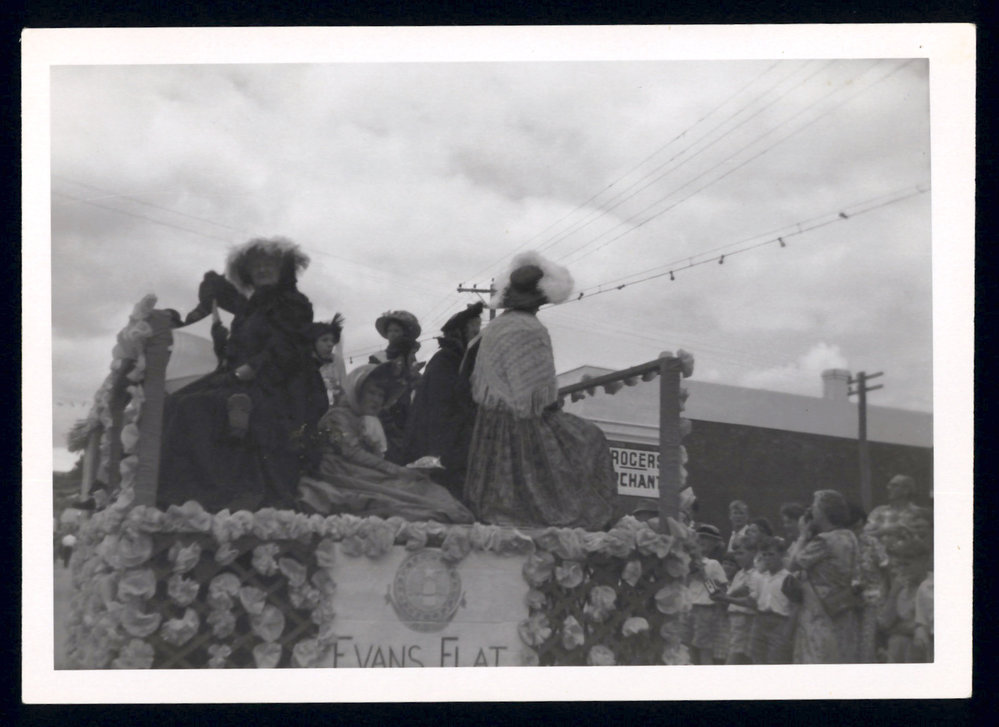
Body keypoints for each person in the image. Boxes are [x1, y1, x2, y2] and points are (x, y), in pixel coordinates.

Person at [157, 237, 325, 512]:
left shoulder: (294, 303)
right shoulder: (249, 308)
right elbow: (238, 352)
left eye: (269, 264)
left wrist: (250, 369)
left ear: (283, 268)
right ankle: (178, 495)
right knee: (176, 401)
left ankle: (213, 494)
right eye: (256, 265)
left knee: (194, 408)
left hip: (280, 389)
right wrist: (223, 345)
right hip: (244, 381)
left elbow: (287, 349)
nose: (262, 269)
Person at [463, 252, 616, 530]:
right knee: (590, 438)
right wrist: (550, 404)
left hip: (489, 423)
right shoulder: (530, 329)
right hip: (519, 424)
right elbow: (534, 397)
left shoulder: (494, 327)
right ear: (541, 299)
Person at [298, 363, 474, 524]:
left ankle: (446, 510)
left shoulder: (361, 419)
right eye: (371, 393)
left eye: (381, 395)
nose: (377, 400)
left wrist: (396, 470)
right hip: (340, 472)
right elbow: (352, 453)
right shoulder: (337, 417)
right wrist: (394, 470)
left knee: (416, 485)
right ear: (357, 393)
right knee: (401, 494)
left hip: (359, 470)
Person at [402, 302, 484, 498]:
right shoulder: (445, 361)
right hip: (440, 443)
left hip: (453, 439)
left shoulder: (460, 361)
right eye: (473, 333)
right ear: (459, 334)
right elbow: (441, 410)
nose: (476, 339)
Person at [790, 490, 861, 663]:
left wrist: (802, 534)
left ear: (823, 511)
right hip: (840, 604)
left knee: (816, 655)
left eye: (814, 506)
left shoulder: (823, 541)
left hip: (818, 608)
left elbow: (793, 563)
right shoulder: (849, 536)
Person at [878, 530, 931, 663]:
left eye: (906, 564)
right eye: (897, 565)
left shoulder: (932, 587)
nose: (901, 570)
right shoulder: (901, 588)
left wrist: (897, 629)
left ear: (924, 561)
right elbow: (884, 623)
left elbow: (929, 625)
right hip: (900, 653)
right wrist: (894, 592)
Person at [848, 502, 889, 663]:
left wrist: (885, 597)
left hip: (873, 602)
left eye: (857, 526)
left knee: (868, 646)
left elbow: (887, 571)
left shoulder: (872, 542)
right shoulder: (842, 544)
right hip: (847, 602)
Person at [710, 535, 759, 664]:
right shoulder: (740, 573)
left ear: (754, 553)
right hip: (732, 621)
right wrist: (724, 596)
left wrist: (727, 598)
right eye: (736, 554)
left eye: (742, 553)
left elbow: (751, 602)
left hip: (745, 621)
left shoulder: (756, 574)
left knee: (734, 662)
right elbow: (730, 596)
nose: (738, 558)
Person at [685, 524, 729, 665]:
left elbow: (719, 592)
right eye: (699, 538)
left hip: (705, 609)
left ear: (714, 544)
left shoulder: (713, 564)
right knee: (688, 647)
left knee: (703, 647)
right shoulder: (687, 562)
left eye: (707, 539)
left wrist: (704, 576)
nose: (702, 541)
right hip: (688, 607)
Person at [748, 536, 794, 664]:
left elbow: (794, 606)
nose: (767, 559)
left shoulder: (788, 578)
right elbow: (753, 600)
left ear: (781, 555)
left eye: (771, 554)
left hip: (780, 622)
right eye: (765, 555)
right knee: (757, 660)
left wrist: (788, 631)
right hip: (760, 621)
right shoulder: (759, 577)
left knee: (776, 661)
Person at [865, 474, 931, 543]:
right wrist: (883, 531)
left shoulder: (920, 513)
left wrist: (910, 532)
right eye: (889, 485)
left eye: (894, 486)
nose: (888, 488)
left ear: (906, 490)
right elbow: (863, 535)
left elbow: (928, 540)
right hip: (880, 552)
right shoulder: (879, 511)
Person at [308, 314, 347, 408]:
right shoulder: (306, 363)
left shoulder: (337, 361)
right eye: (324, 340)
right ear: (313, 343)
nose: (330, 344)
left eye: (332, 340)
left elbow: (345, 387)